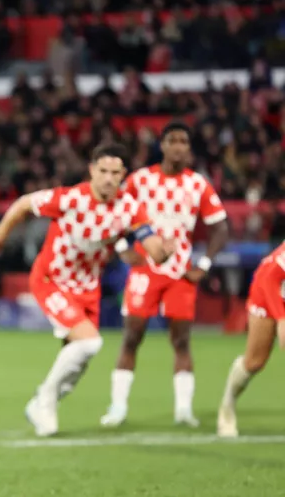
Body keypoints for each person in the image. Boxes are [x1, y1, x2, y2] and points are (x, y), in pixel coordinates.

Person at [0, 144, 173, 437]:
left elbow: (154, 251)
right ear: (92, 171)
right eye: (103, 171)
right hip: (52, 279)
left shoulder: (130, 208)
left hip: (88, 288)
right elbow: (23, 204)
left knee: (77, 360)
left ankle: (44, 402)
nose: (109, 178)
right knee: (90, 343)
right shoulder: (72, 198)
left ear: (123, 176)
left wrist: (164, 250)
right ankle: (43, 400)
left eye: (115, 173)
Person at [101, 121, 229, 428]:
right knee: (132, 336)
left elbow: (221, 228)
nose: (179, 147)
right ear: (162, 145)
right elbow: (108, 209)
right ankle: (118, 407)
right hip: (146, 268)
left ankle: (184, 410)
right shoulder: (140, 180)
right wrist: (121, 247)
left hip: (180, 273)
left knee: (182, 340)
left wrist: (205, 264)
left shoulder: (198, 184)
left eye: (184, 142)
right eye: (173, 141)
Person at [216, 241, 285, 437]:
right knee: (255, 362)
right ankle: (227, 407)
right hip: (268, 293)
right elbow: (271, 278)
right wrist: (281, 319)